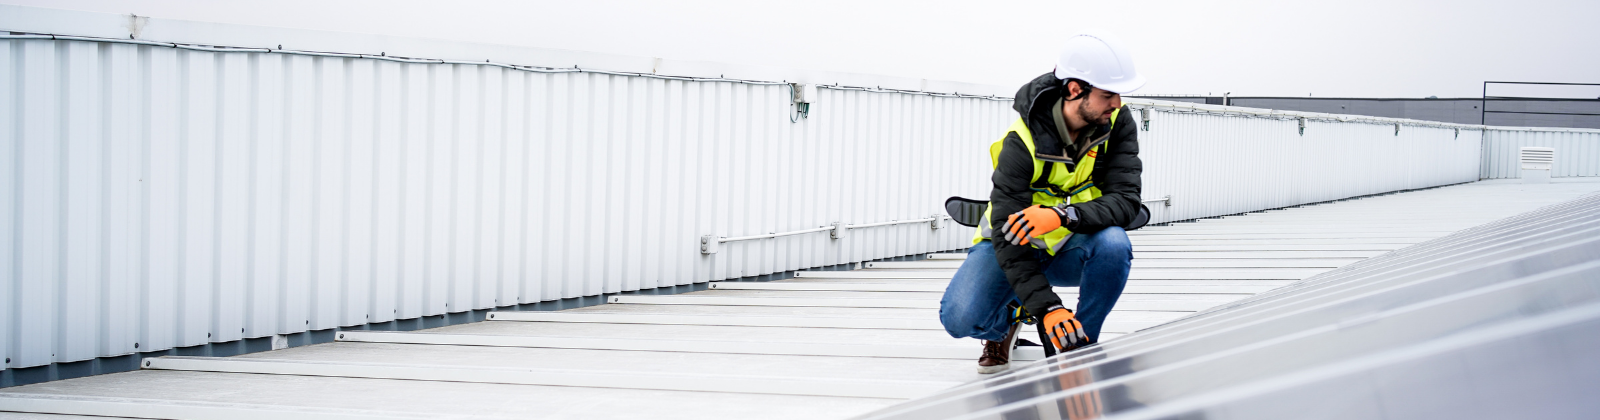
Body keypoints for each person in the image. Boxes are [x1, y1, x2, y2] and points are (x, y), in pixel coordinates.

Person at [939, 30, 1145, 374]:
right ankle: (1008, 321)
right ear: (1075, 89)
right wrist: (1048, 308)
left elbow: (1126, 201)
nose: (1117, 103)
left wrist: (1063, 216)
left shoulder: (1117, 122)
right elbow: (1008, 236)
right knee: (959, 318)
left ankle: (1075, 343)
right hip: (1014, 246)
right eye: (1108, 94)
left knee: (1114, 243)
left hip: (1072, 244)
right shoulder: (1020, 142)